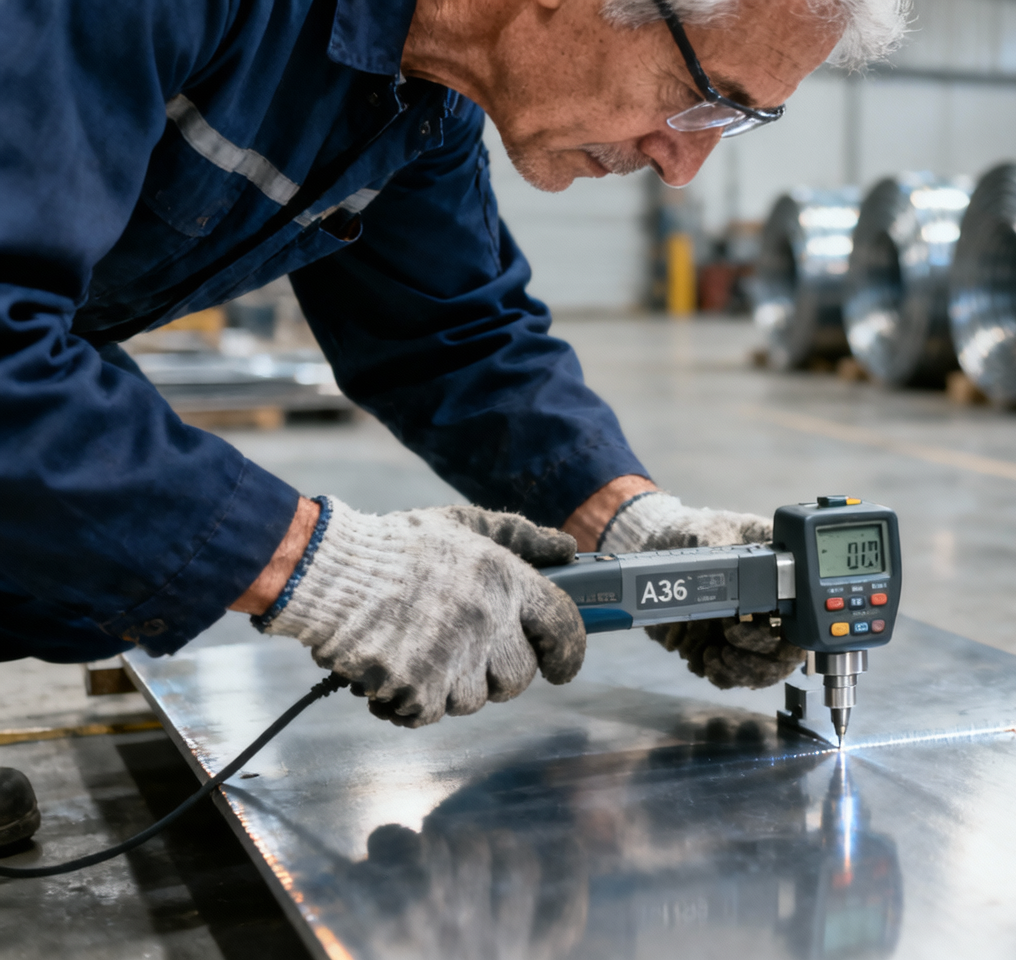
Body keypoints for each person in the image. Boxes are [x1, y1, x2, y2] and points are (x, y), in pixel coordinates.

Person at [0, 0, 908, 846]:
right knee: (86, 536)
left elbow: (452, 338)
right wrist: (315, 565)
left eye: (739, 121)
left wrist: (642, 532)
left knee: (80, 565)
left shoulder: (415, 102)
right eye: (705, 98)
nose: (682, 165)